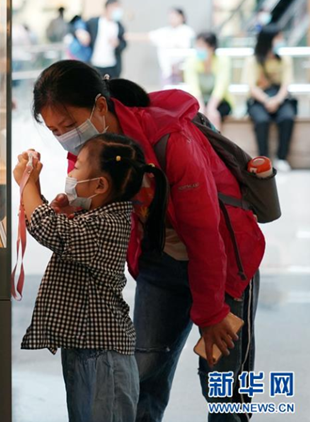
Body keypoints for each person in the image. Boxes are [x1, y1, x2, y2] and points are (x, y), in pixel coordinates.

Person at [32, 60, 265, 422]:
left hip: (225, 263)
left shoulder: (170, 138)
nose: (66, 137)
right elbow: (88, 212)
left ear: (100, 106)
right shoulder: (88, 150)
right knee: (143, 372)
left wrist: (211, 312)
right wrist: (71, 209)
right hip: (160, 262)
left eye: (69, 124)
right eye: (55, 130)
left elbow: (205, 233)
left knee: (223, 382)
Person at [14, 133, 169, 422]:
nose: (70, 174)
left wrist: (28, 184)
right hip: (87, 348)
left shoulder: (106, 224)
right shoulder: (95, 217)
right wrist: (35, 189)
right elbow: (51, 226)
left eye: (77, 167)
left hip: (103, 356)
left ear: (100, 185)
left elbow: (49, 230)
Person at [244, 25, 295, 173]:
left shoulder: (284, 59)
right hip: (259, 100)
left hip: (280, 98)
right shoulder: (253, 60)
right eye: (278, 37)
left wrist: (277, 100)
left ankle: (282, 158)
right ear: (269, 39)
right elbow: (252, 87)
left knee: (287, 117)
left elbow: (286, 85)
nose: (281, 40)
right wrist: (267, 100)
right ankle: (264, 159)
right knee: (261, 121)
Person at [129, 7, 195, 86]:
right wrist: (124, 36)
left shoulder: (188, 32)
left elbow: (188, 51)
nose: (171, 19)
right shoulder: (165, 32)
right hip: (167, 72)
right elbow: (147, 37)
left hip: (181, 71)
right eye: (170, 17)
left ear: (182, 17)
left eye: (174, 16)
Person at [184, 32, 233, 130]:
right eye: (197, 45)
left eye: (201, 46)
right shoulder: (191, 62)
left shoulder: (223, 61)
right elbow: (193, 87)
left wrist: (211, 108)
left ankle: (216, 139)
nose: (198, 49)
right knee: (196, 117)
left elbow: (221, 87)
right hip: (198, 101)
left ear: (212, 48)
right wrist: (201, 108)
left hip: (220, 102)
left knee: (214, 116)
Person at [87, 0, 127, 79]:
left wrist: (118, 44)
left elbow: (124, 44)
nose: (118, 10)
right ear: (108, 7)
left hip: (112, 67)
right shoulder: (94, 22)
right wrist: (80, 31)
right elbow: (76, 26)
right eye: (116, 7)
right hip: (95, 64)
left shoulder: (119, 26)